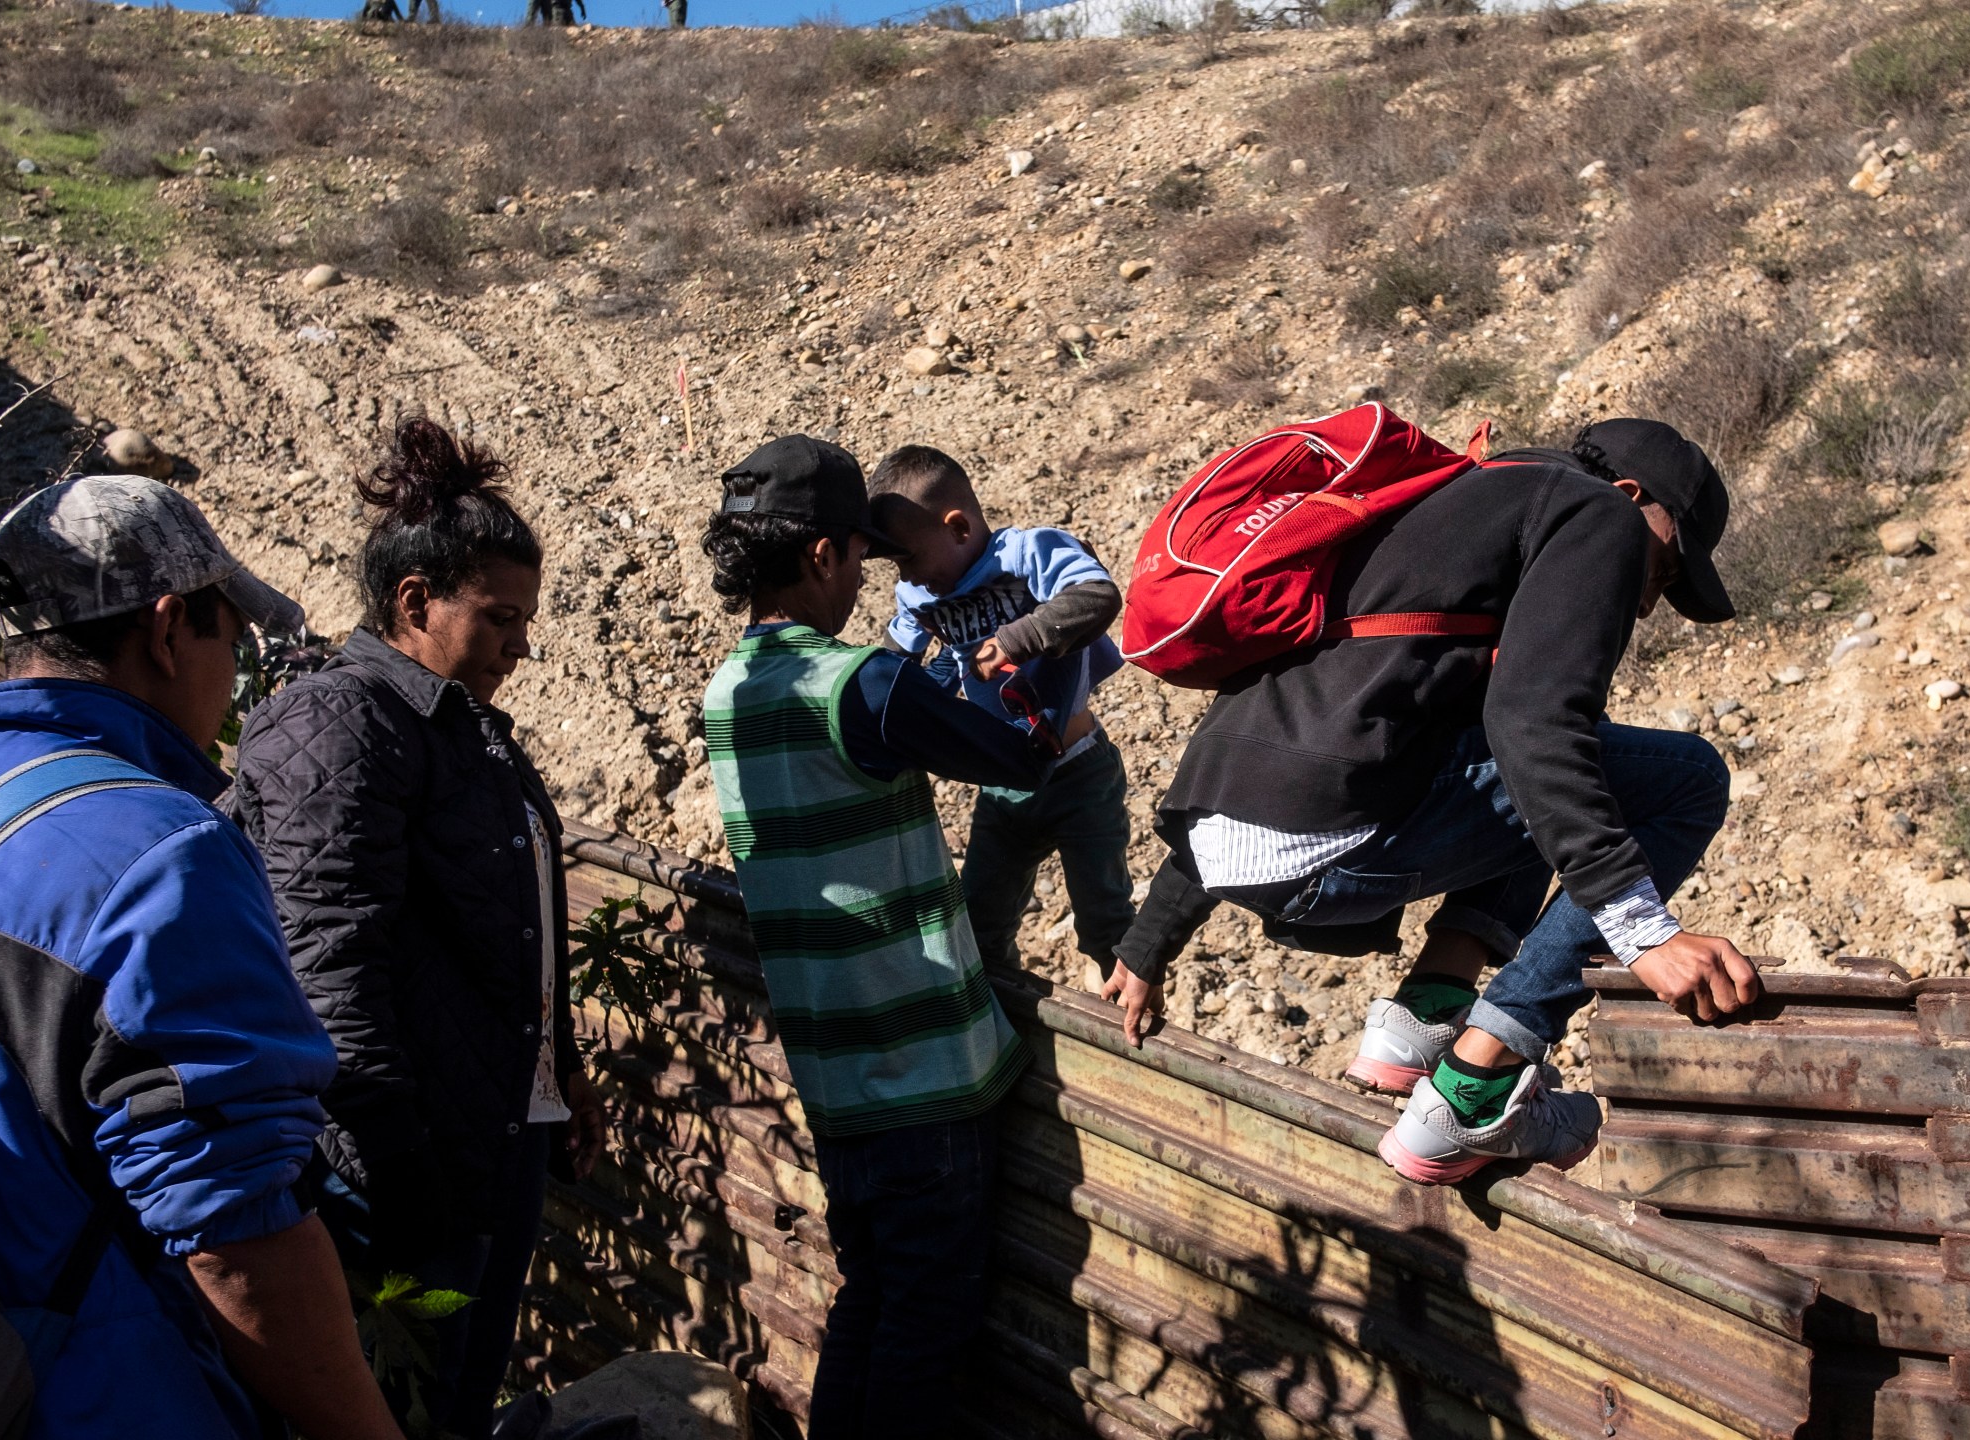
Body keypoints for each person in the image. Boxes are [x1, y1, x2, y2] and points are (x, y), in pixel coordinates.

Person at [0, 475, 401, 1440]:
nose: (231, 676)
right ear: (169, 631)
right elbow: (234, 1233)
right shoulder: (162, 851)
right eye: (228, 638)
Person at [1103, 418, 1763, 1186]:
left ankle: (1422, 1020)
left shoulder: (1457, 498)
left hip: (1227, 832)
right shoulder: (1598, 513)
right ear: (1629, 496)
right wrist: (1644, 933)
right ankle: (1478, 1085)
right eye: (1666, 568)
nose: (1650, 601)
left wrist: (1148, 944)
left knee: (1554, 755)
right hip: (1328, 852)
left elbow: (1278, 755)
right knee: (1683, 777)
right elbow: (1537, 725)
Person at [229, 420, 596, 1439]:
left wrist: (557, 1074)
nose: (520, 647)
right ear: (413, 602)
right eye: (499, 618)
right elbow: (328, 968)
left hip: (491, 1138)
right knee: (395, 1404)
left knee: (460, 1389)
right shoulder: (337, 726)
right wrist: (399, 1179)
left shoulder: (461, 731)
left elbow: (509, 929)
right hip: (405, 1168)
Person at [698, 435, 1051, 1438]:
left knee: (873, 1301)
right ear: (821, 558)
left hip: (837, 1076)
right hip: (924, 1082)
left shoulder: (730, 692)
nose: (862, 581)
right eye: (859, 558)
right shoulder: (860, 683)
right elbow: (1015, 761)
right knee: (923, 1338)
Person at [867, 444, 1135, 981]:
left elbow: (1097, 595)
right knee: (980, 926)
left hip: (1080, 774)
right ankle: (1002, 1026)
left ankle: (1131, 1024)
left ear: (959, 528)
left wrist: (1019, 639)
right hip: (1005, 787)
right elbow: (895, 668)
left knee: (1105, 924)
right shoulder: (918, 595)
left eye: (908, 558)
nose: (906, 575)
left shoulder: (1026, 552)